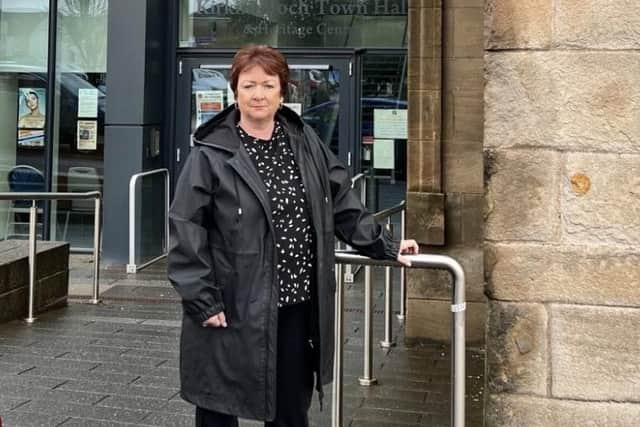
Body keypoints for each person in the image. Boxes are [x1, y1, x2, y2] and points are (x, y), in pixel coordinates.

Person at [168, 45, 418, 427]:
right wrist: (203, 299)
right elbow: (186, 228)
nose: (258, 94)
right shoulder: (211, 154)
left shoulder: (304, 143)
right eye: (249, 85)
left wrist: (384, 243)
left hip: (295, 305)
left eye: (268, 85)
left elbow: (340, 202)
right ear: (235, 90)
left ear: (283, 91)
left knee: (289, 410)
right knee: (218, 407)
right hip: (232, 305)